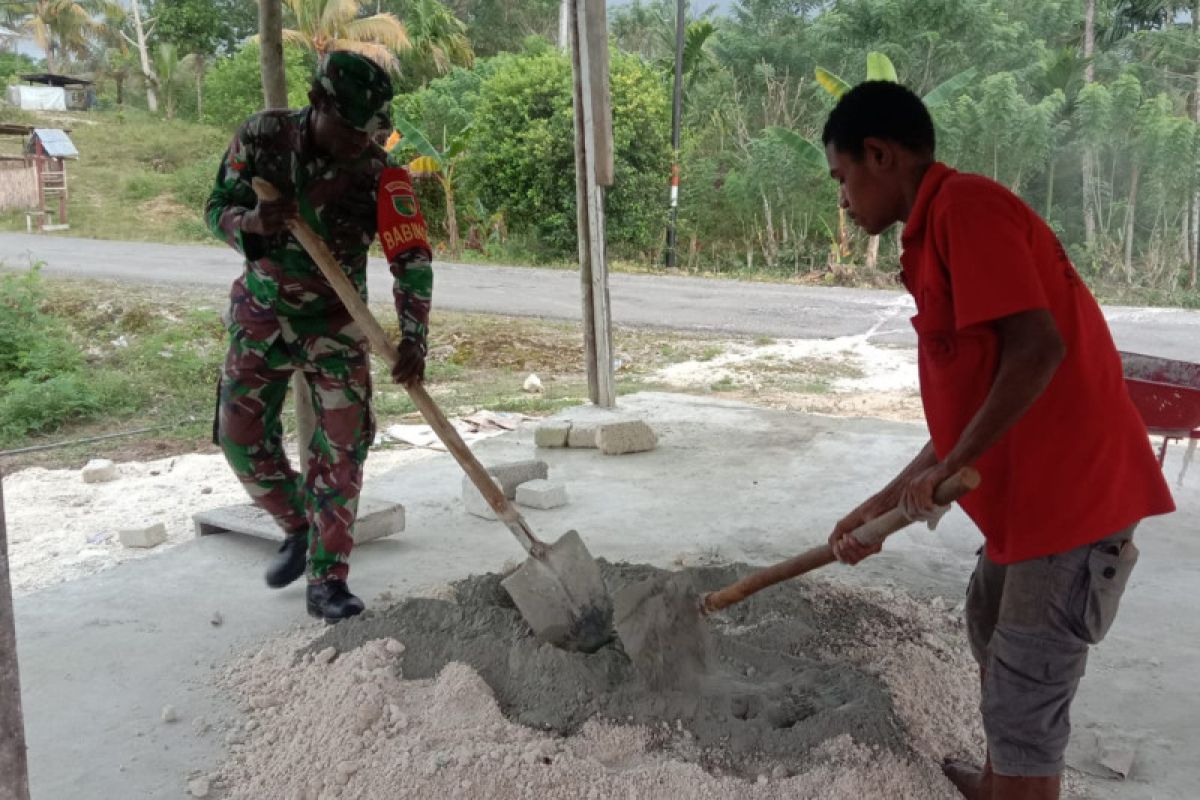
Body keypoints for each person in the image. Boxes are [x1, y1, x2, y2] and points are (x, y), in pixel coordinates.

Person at [822, 81, 1175, 800]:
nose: (844, 199)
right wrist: (881, 505)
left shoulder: (967, 210)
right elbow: (973, 405)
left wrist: (951, 466)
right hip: (1029, 504)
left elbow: (1037, 350)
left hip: (1071, 503)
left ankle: (1017, 785)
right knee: (990, 628)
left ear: (879, 154)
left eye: (842, 178)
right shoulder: (933, 231)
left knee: (1026, 696)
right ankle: (998, 784)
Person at [205, 51, 432, 622]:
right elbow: (215, 208)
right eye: (353, 129)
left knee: (342, 449)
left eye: (372, 131)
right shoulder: (261, 138)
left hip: (336, 323)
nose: (362, 142)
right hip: (262, 314)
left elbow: (410, 257)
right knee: (238, 435)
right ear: (320, 104)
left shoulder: (381, 173)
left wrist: (413, 338)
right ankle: (298, 524)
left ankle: (328, 579)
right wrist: (250, 224)